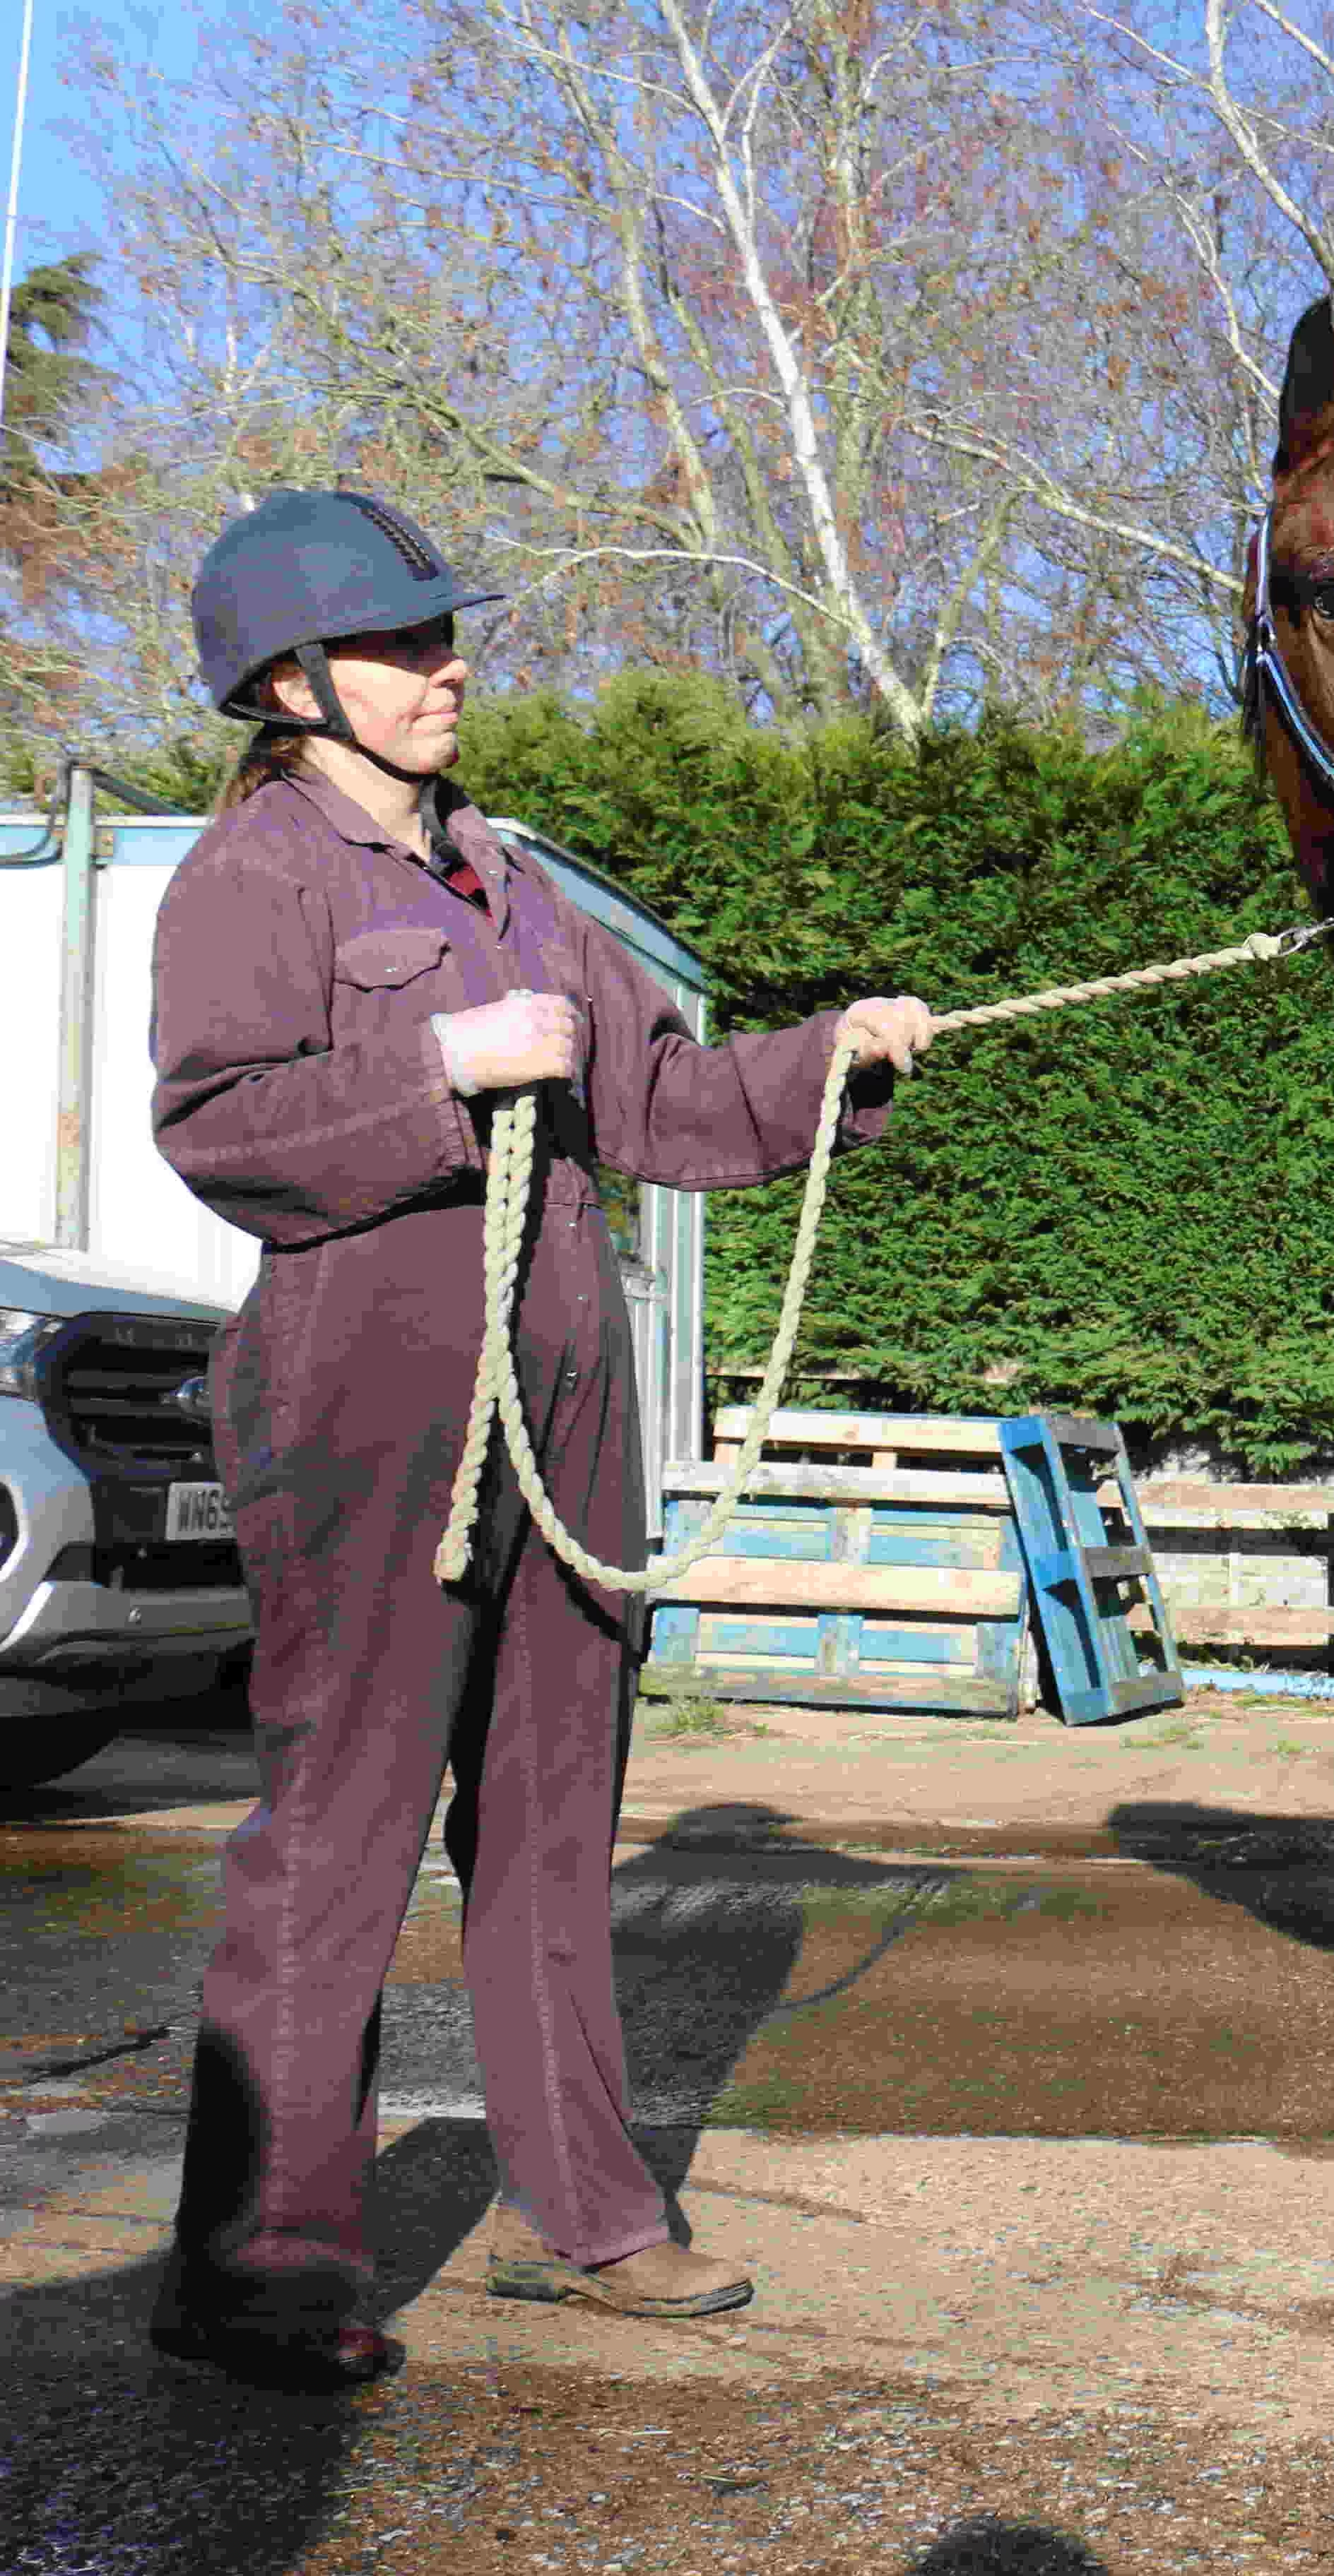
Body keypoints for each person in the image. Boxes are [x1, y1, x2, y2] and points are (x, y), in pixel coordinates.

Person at [148, 488, 933, 2392]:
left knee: (554, 1821)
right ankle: (256, 2258)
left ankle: (572, 2212)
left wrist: (827, 1061)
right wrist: (434, 1070)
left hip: (567, 1418)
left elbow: (661, 1103)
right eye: (404, 646)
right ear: (288, 678)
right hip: (361, 1413)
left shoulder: (521, 886)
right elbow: (220, 1128)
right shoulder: (253, 878)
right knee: (334, 1835)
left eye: (444, 637)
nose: (449, 669)